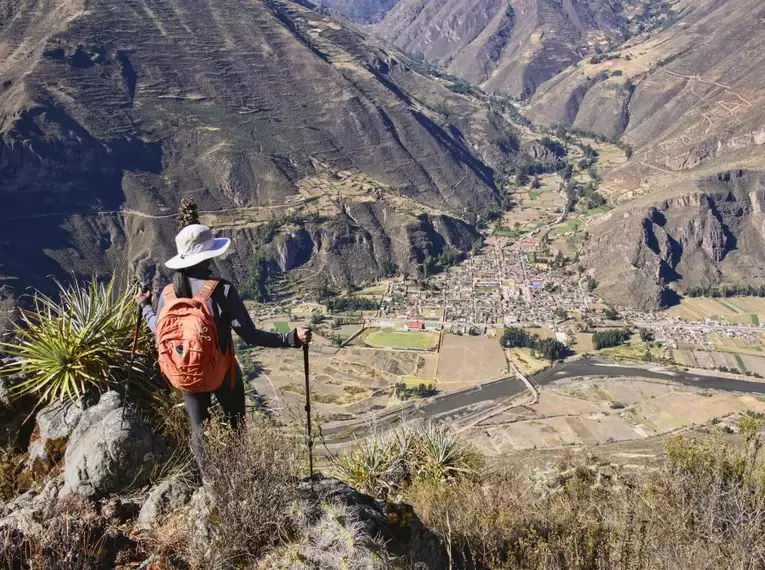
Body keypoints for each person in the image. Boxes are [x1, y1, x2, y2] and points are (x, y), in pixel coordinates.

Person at [135, 224, 311, 472]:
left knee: (199, 432)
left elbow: (159, 329)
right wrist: (291, 338)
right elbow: (250, 335)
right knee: (236, 425)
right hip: (223, 374)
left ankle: (208, 481)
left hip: (186, 373)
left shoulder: (167, 293)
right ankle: (239, 475)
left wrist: (145, 307)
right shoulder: (222, 290)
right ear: (208, 255)